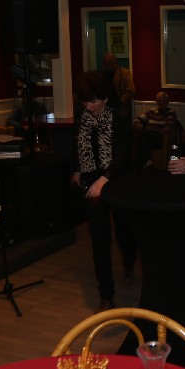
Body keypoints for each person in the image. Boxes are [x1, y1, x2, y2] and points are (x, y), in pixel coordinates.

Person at [70, 72, 136, 310]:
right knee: (99, 239)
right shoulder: (82, 116)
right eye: (85, 101)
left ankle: (128, 264)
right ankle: (106, 294)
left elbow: (122, 154)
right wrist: (77, 169)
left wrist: (104, 179)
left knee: (123, 231)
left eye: (93, 101)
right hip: (91, 178)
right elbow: (78, 144)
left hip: (116, 178)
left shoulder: (120, 116)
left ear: (106, 98)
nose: (88, 106)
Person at [133, 90, 183, 167]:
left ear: (167, 101)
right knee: (142, 136)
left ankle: (139, 165)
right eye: (159, 101)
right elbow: (136, 120)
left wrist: (161, 128)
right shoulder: (152, 111)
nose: (161, 103)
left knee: (142, 135)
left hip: (159, 136)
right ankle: (147, 162)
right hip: (147, 134)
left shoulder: (170, 112)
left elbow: (169, 126)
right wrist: (138, 124)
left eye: (163, 100)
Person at [101, 52, 135, 118]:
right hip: (107, 108)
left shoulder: (125, 73)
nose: (105, 66)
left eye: (106, 63)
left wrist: (119, 100)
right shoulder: (104, 74)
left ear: (114, 62)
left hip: (121, 109)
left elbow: (131, 91)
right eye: (104, 63)